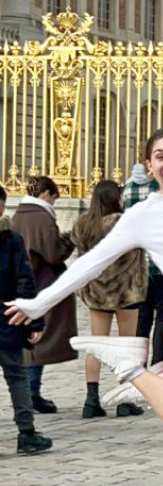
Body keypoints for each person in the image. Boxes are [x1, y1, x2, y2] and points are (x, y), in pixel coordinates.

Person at [4, 43, 163, 449]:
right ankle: (131, 369)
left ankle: (150, 379)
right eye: (160, 156)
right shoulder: (142, 215)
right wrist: (38, 303)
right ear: (148, 165)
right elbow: (89, 263)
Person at [70, 180, 148, 418]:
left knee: (96, 345)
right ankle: (125, 401)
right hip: (127, 291)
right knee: (127, 347)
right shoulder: (127, 223)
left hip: (98, 293)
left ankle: (91, 400)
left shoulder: (84, 224)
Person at [11, 175, 77, 414]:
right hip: (42, 284)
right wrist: (68, 241)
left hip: (23, 283)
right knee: (39, 340)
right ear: (47, 194)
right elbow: (53, 253)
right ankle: (31, 392)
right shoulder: (41, 216)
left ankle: (31, 391)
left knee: (31, 340)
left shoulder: (20, 214)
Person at [0, 185, 53, 454]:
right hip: (8, 316)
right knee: (17, 377)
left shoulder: (13, 238)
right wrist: (35, 320)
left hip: (8, 318)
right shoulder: (11, 239)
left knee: (18, 376)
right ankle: (26, 433)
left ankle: (27, 432)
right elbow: (25, 281)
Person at [124, 163, 163, 366]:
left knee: (142, 319)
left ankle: (139, 364)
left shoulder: (127, 189)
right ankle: (158, 362)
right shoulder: (158, 188)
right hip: (160, 263)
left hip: (139, 265)